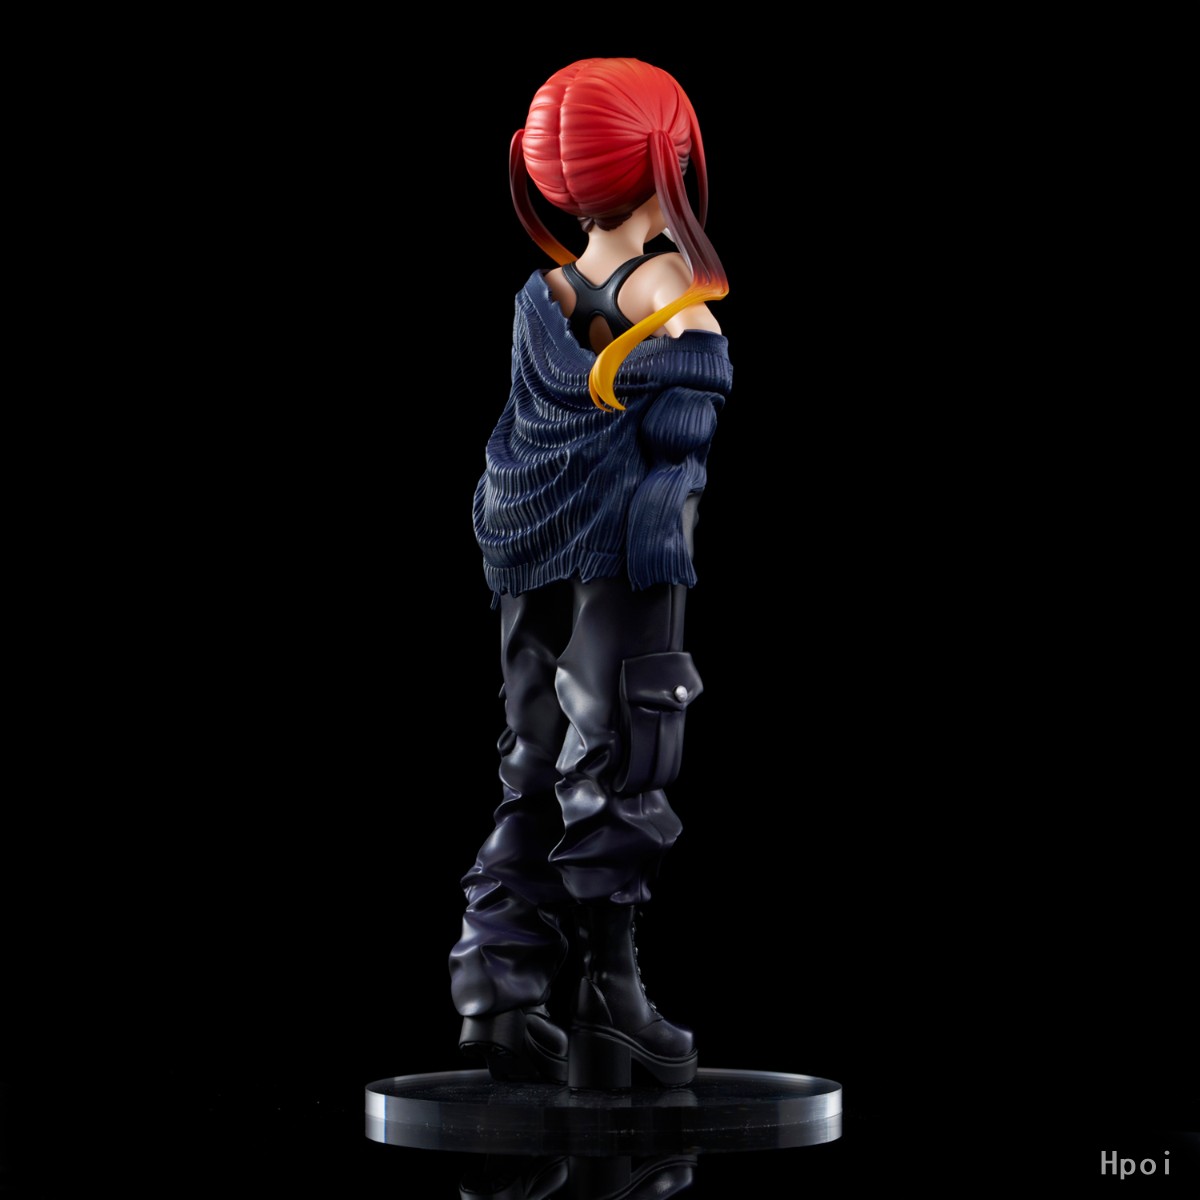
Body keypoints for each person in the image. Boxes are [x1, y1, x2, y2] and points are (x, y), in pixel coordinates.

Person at [448, 58, 732, 1089]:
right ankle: (608, 998)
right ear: (665, 160)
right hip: (622, 552)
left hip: (522, 540)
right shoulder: (671, 292)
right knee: (619, 756)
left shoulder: (546, 293)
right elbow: (684, 430)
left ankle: (497, 989)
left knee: (531, 755)